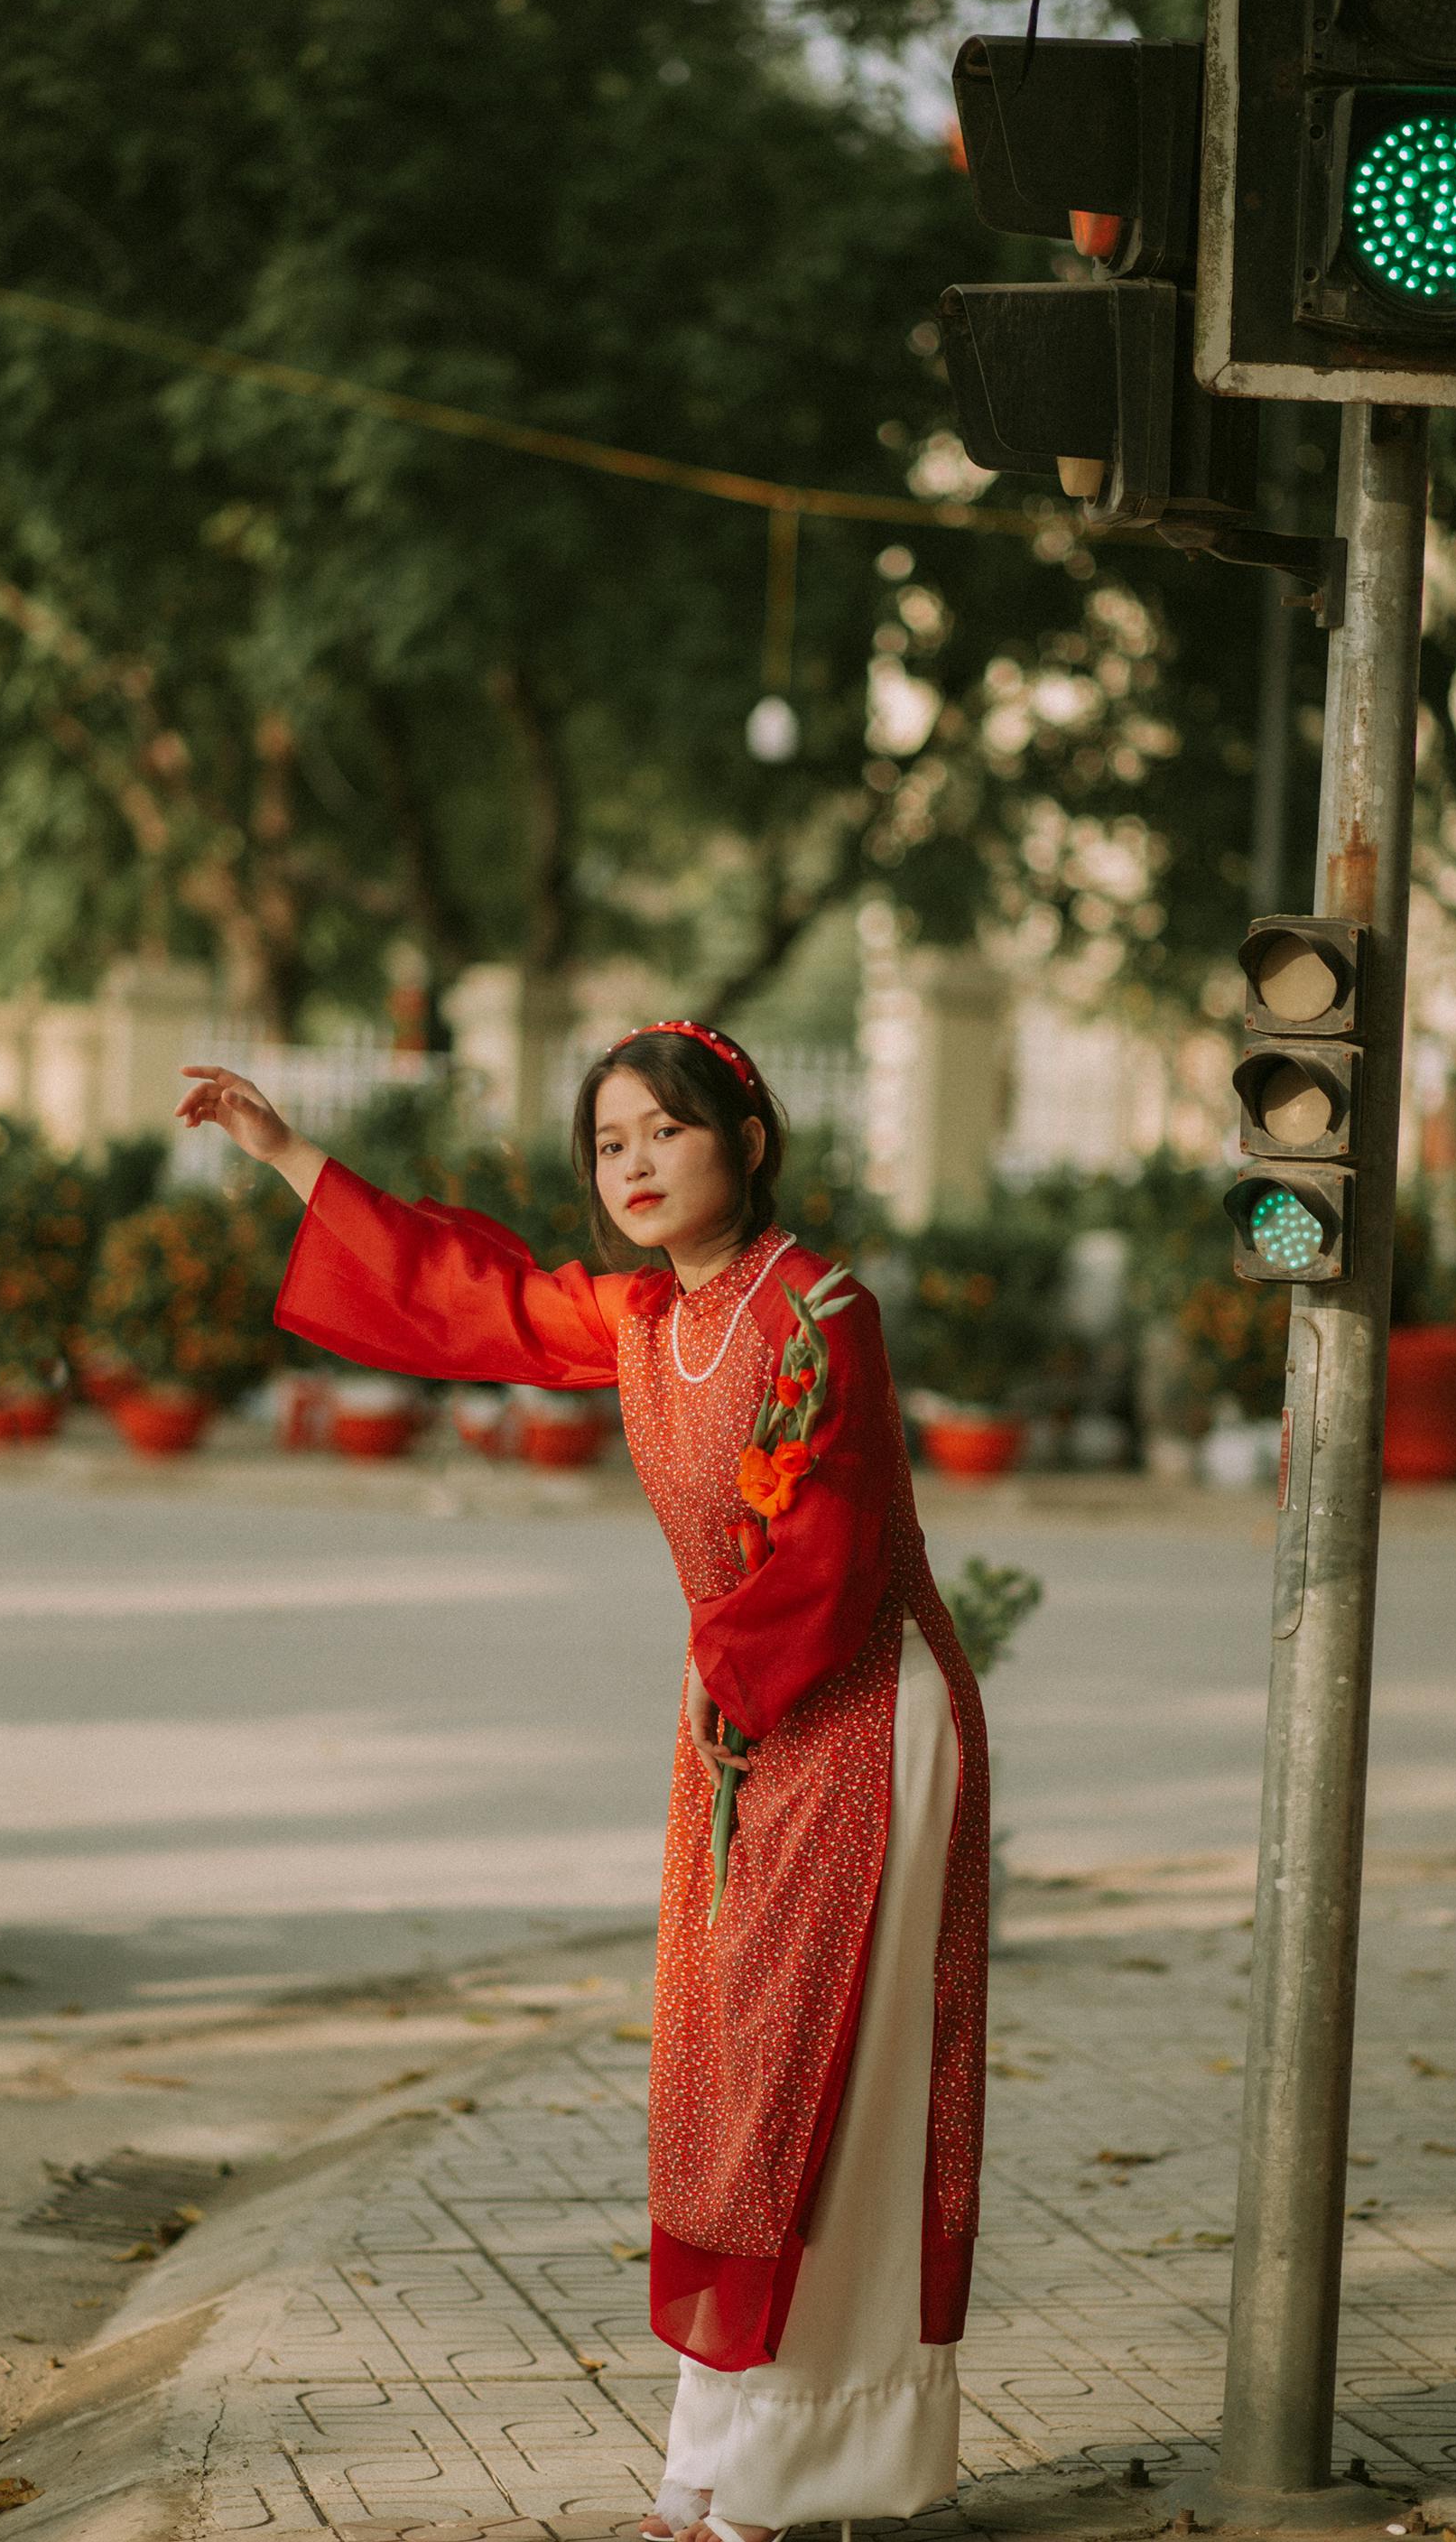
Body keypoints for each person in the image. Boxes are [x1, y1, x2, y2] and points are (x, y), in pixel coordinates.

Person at [174, 1022, 989, 2542]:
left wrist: (740, 1703)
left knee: (812, 2090)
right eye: (609, 1143)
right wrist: (287, 1154)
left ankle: (793, 2468)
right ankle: (716, 2454)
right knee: (721, 2083)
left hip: (853, 1712)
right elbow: (458, 1289)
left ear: (746, 1140)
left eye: (664, 1133)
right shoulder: (637, 1313)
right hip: (745, 1716)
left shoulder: (824, 1311)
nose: (632, 1165)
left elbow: (830, 1544)